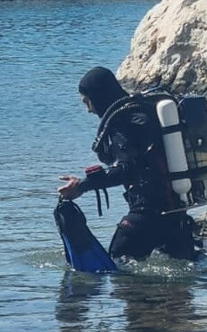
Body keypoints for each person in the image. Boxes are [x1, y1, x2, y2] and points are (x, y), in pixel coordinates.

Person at [57, 67, 199, 262]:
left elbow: (126, 170)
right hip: (177, 214)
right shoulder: (146, 111)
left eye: (87, 101)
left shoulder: (123, 124)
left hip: (146, 215)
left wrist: (82, 186)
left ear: (98, 96)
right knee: (180, 285)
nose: (88, 109)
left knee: (116, 268)